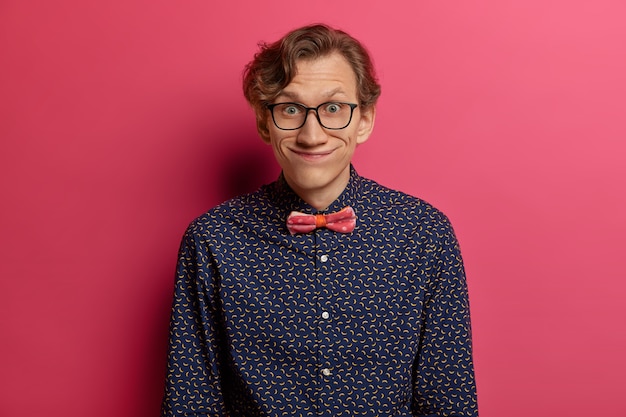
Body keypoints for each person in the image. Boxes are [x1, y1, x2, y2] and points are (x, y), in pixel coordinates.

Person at [161, 24, 478, 417]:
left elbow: (449, 403)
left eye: (333, 108)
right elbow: (190, 405)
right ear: (265, 122)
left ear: (364, 119)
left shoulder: (424, 235)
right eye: (290, 109)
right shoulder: (212, 241)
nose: (312, 135)